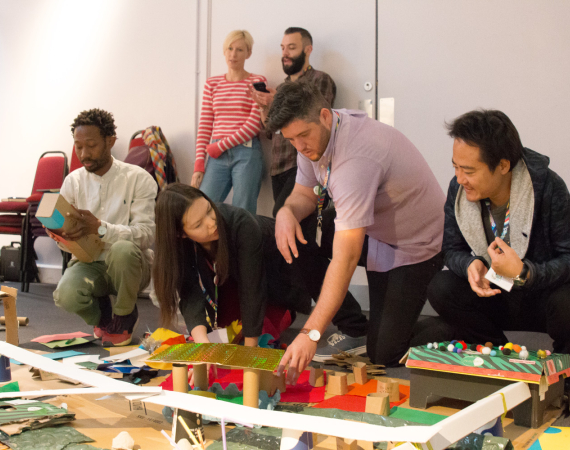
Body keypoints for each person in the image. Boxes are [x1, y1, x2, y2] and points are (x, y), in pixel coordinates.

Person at [266, 82, 445, 382]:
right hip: (379, 234)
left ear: (324, 116)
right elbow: (304, 196)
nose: (300, 146)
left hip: (417, 245)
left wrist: (311, 333)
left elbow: (345, 259)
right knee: (297, 231)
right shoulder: (316, 135)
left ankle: (460, 327)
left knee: (384, 353)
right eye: (291, 139)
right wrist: (285, 212)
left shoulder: (356, 159)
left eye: (303, 136)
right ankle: (355, 325)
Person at [426, 110, 570, 353]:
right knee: (441, 287)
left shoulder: (547, 187)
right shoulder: (459, 190)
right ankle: (499, 354)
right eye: (455, 167)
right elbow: (451, 250)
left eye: (469, 171)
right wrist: (471, 264)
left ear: (503, 165)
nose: (460, 179)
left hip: (542, 296)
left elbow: (568, 257)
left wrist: (525, 273)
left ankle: (561, 375)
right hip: (496, 293)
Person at [153, 183, 308, 357]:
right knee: (224, 336)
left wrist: (249, 353)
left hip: (274, 286)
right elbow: (189, 292)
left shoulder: (242, 224)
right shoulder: (179, 245)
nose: (212, 223)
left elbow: (252, 289)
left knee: (259, 334)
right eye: (198, 225)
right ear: (181, 234)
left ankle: (285, 313)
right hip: (233, 285)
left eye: (209, 210)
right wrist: (202, 344)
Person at [52, 109, 157, 346]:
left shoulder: (139, 179)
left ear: (110, 142)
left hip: (132, 267)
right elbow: (66, 236)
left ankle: (124, 314)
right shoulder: (73, 181)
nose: (84, 154)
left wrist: (100, 228)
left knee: (121, 249)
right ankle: (105, 317)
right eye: (78, 146)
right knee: (65, 295)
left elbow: (146, 235)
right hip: (90, 262)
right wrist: (61, 236)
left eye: (91, 145)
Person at [249, 27, 336, 217]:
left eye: (291, 47)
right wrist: (264, 108)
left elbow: (318, 119)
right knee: (288, 220)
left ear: (308, 50)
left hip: (306, 162)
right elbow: (271, 131)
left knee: (284, 214)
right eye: (282, 48)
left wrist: (276, 102)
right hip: (278, 166)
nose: (285, 53)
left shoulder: (320, 80)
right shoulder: (281, 87)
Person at [191, 30, 266, 214]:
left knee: (244, 211)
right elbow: (205, 125)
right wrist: (199, 163)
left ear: (248, 53)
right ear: (224, 51)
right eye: (230, 48)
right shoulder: (212, 83)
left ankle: (242, 244)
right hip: (216, 154)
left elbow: (254, 124)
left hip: (246, 152)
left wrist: (221, 145)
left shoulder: (257, 81)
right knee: (204, 206)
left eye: (240, 49)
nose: (233, 54)